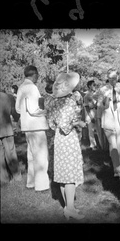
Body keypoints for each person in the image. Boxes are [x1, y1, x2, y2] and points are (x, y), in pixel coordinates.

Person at [48, 72, 86, 220]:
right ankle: (70, 208)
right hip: (67, 138)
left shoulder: (53, 102)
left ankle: (67, 207)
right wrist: (79, 123)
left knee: (64, 175)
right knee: (69, 175)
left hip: (58, 137)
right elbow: (66, 125)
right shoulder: (69, 101)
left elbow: (52, 124)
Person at [15, 65, 50, 192]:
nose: (38, 78)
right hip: (36, 125)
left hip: (27, 126)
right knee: (40, 156)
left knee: (31, 155)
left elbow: (18, 109)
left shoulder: (21, 87)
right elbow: (34, 109)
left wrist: (25, 116)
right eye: (37, 75)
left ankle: (31, 182)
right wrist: (46, 111)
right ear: (34, 74)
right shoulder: (32, 87)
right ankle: (41, 185)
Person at [97, 69, 120, 177]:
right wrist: (104, 102)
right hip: (109, 119)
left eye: (115, 78)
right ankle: (116, 169)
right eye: (110, 78)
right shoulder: (103, 89)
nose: (113, 81)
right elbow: (99, 105)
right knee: (113, 145)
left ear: (118, 78)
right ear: (108, 78)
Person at [0, 91, 22, 184]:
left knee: (0, 156)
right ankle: (17, 176)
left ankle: (3, 178)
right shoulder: (8, 97)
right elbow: (14, 113)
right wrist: (18, 119)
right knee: (11, 153)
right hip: (6, 129)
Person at [84, 80, 98, 150]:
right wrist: (91, 117)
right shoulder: (87, 95)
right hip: (90, 113)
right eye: (94, 85)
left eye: (95, 85)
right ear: (90, 86)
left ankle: (98, 144)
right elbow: (87, 107)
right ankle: (93, 145)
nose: (95, 86)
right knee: (91, 130)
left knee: (97, 129)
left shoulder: (94, 94)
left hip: (96, 112)